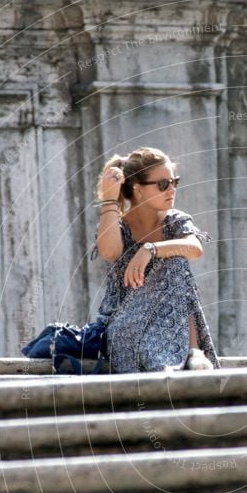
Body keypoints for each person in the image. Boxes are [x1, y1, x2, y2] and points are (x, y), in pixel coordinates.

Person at [91, 146, 220, 373]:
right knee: (174, 260)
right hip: (126, 322)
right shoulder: (117, 225)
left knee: (176, 261)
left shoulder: (174, 221)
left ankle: (193, 351)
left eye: (174, 182)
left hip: (171, 324)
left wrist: (151, 249)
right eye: (163, 184)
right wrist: (109, 200)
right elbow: (110, 252)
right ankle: (169, 364)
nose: (171, 190)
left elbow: (195, 248)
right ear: (138, 189)